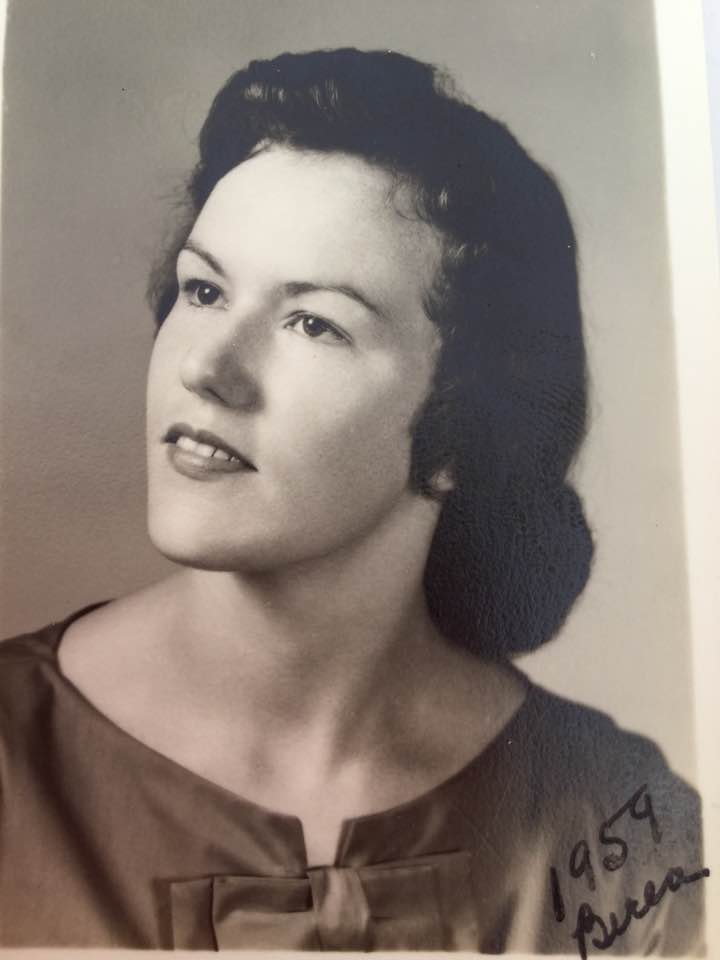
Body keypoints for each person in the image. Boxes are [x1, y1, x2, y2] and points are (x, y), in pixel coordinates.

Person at [0, 49, 705, 952]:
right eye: (203, 290)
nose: (205, 366)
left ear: (463, 428)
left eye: (314, 323)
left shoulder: (619, 826)